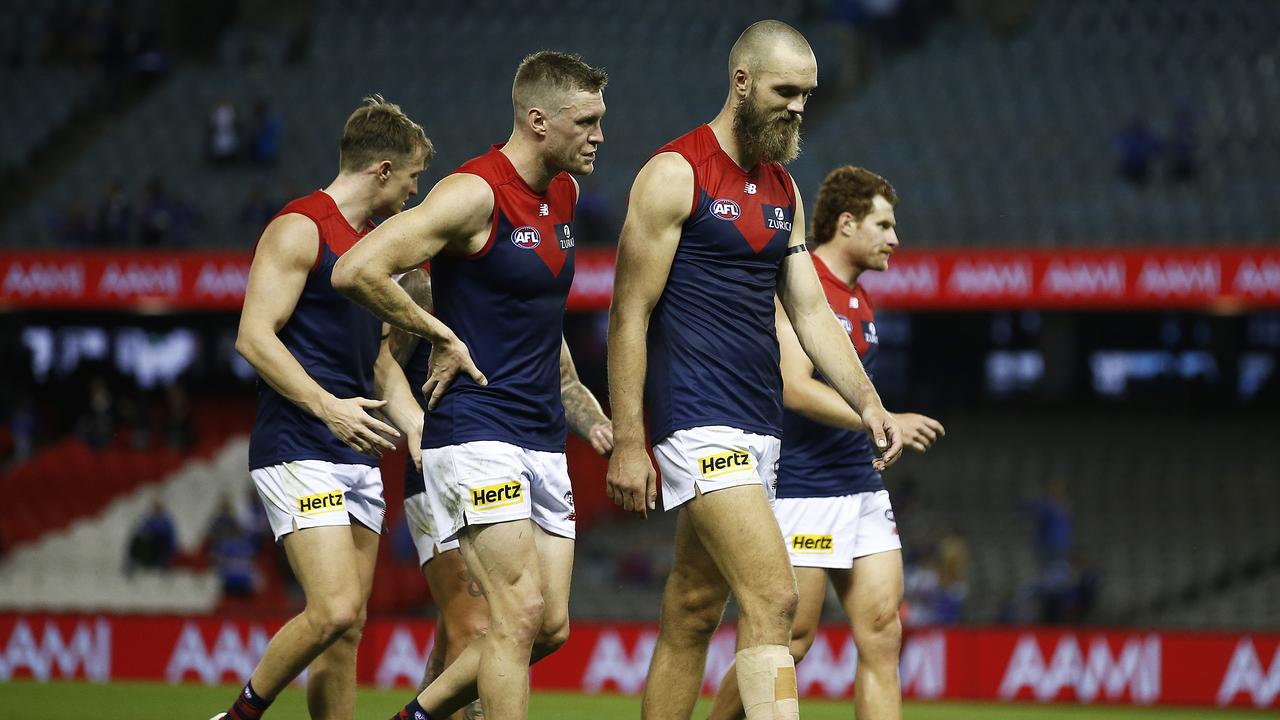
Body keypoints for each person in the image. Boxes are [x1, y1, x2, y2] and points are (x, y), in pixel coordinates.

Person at [606, 20, 904, 720]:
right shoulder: (674, 174)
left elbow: (809, 313)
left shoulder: (785, 191)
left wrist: (870, 404)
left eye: (808, 94)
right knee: (774, 598)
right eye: (786, 91)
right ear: (741, 83)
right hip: (696, 420)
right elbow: (628, 314)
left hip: (758, 428)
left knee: (692, 606)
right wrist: (627, 438)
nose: (799, 106)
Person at [331, 51, 609, 719]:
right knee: (515, 618)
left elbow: (540, 325)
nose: (601, 135)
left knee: (551, 627)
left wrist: (592, 414)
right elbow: (356, 270)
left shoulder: (564, 194)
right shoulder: (472, 192)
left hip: (543, 434)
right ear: (539, 120)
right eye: (589, 121)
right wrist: (441, 332)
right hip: (476, 431)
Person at [213, 96, 481, 720]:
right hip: (298, 444)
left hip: (355, 450)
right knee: (332, 608)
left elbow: (382, 363)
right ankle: (238, 715)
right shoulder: (299, 227)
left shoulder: (369, 254)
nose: (417, 194)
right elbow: (254, 336)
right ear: (382, 171)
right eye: (413, 178)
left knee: (348, 628)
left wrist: (418, 426)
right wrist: (328, 407)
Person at [708, 166, 945, 720]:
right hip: (803, 488)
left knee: (885, 633)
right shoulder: (802, 281)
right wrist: (880, 419)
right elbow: (794, 385)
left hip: (859, 485)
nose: (895, 238)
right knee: (790, 641)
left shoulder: (860, 300)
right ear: (846, 223)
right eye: (883, 224)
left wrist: (874, 425)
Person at [387, 267, 613, 719]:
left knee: (534, 627)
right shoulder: (426, 284)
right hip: (456, 455)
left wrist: (598, 426)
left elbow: (565, 379)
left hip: (525, 458)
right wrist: (413, 422)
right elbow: (381, 364)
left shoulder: (529, 285)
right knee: (479, 626)